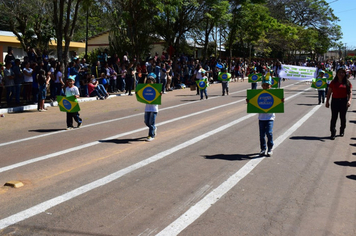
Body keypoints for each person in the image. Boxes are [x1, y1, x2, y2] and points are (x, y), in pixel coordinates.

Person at [247, 78, 283, 157]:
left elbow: (279, 102)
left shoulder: (274, 94)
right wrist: (249, 102)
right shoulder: (258, 94)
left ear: (270, 86)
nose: (265, 87)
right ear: (262, 86)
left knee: (269, 133)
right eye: (264, 85)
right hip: (261, 118)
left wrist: (281, 101)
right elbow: (253, 103)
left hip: (270, 118)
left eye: (267, 85)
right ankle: (263, 148)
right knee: (262, 135)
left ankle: (270, 148)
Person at [325, 68, 352, 139]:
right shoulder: (333, 82)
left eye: (343, 73)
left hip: (343, 101)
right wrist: (327, 101)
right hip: (335, 101)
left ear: (345, 74)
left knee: (342, 117)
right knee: (334, 117)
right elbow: (329, 92)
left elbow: (350, 93)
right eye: (340, 72)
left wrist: (349, 100)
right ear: (337, 74)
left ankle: (342, 130)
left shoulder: (347, 83)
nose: (341, 74)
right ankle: (333, 132)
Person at [144, 73, 161, 141]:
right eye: (148, 79)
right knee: (146, 122)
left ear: (154, 81)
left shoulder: (156, 88)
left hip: (154, 108)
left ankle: (151, 135)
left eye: (151, 80)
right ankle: (154, 128)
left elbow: (159, 95)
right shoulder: (145, 88)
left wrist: (160, 94)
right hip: (147, 107)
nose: (149, 81)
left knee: (151, 122)